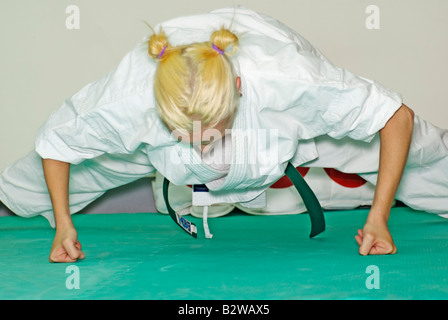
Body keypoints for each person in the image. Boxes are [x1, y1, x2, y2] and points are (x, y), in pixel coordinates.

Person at [0, 7, 446, 263]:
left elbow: (395, 117)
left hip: (280, 130)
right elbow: (57, 142)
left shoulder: (288, 81)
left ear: (235, 90)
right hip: (158, 146)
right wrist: (62, 225)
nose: (198, 139)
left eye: (209, 129)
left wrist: (379, 216)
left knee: (423, 154)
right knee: (30, 185)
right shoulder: (131, 100)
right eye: (185, 131)